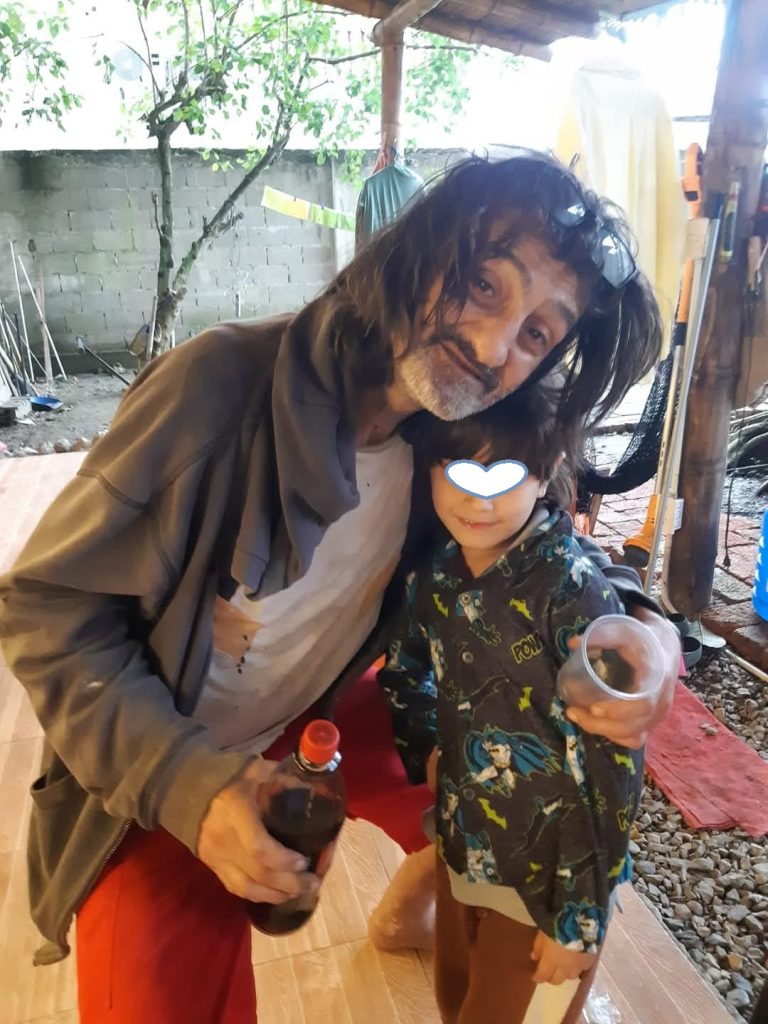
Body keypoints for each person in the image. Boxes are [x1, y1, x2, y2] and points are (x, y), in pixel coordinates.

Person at [0, 150, 680, 1023]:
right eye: (482, 284)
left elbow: (559, 554)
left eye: (538, 335)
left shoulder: (460, 437)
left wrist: (647, 630)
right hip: (162, 742)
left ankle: (428, 892)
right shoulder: (216, 391)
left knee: (520, 758)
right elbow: (46, 607)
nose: (493, 347)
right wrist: (190, 786)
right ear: (418, 251)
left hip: (323, 699)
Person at [377, 386, 644, 1024]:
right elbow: (406, 667)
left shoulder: (575, 594)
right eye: (458, 471)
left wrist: (579, 918)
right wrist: (428, 746)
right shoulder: (434, 575)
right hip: (462, 843)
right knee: (455, 1000)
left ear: (546, 472)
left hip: (550, 877)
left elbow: (612, 765)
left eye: (506, 475)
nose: (479, 499)